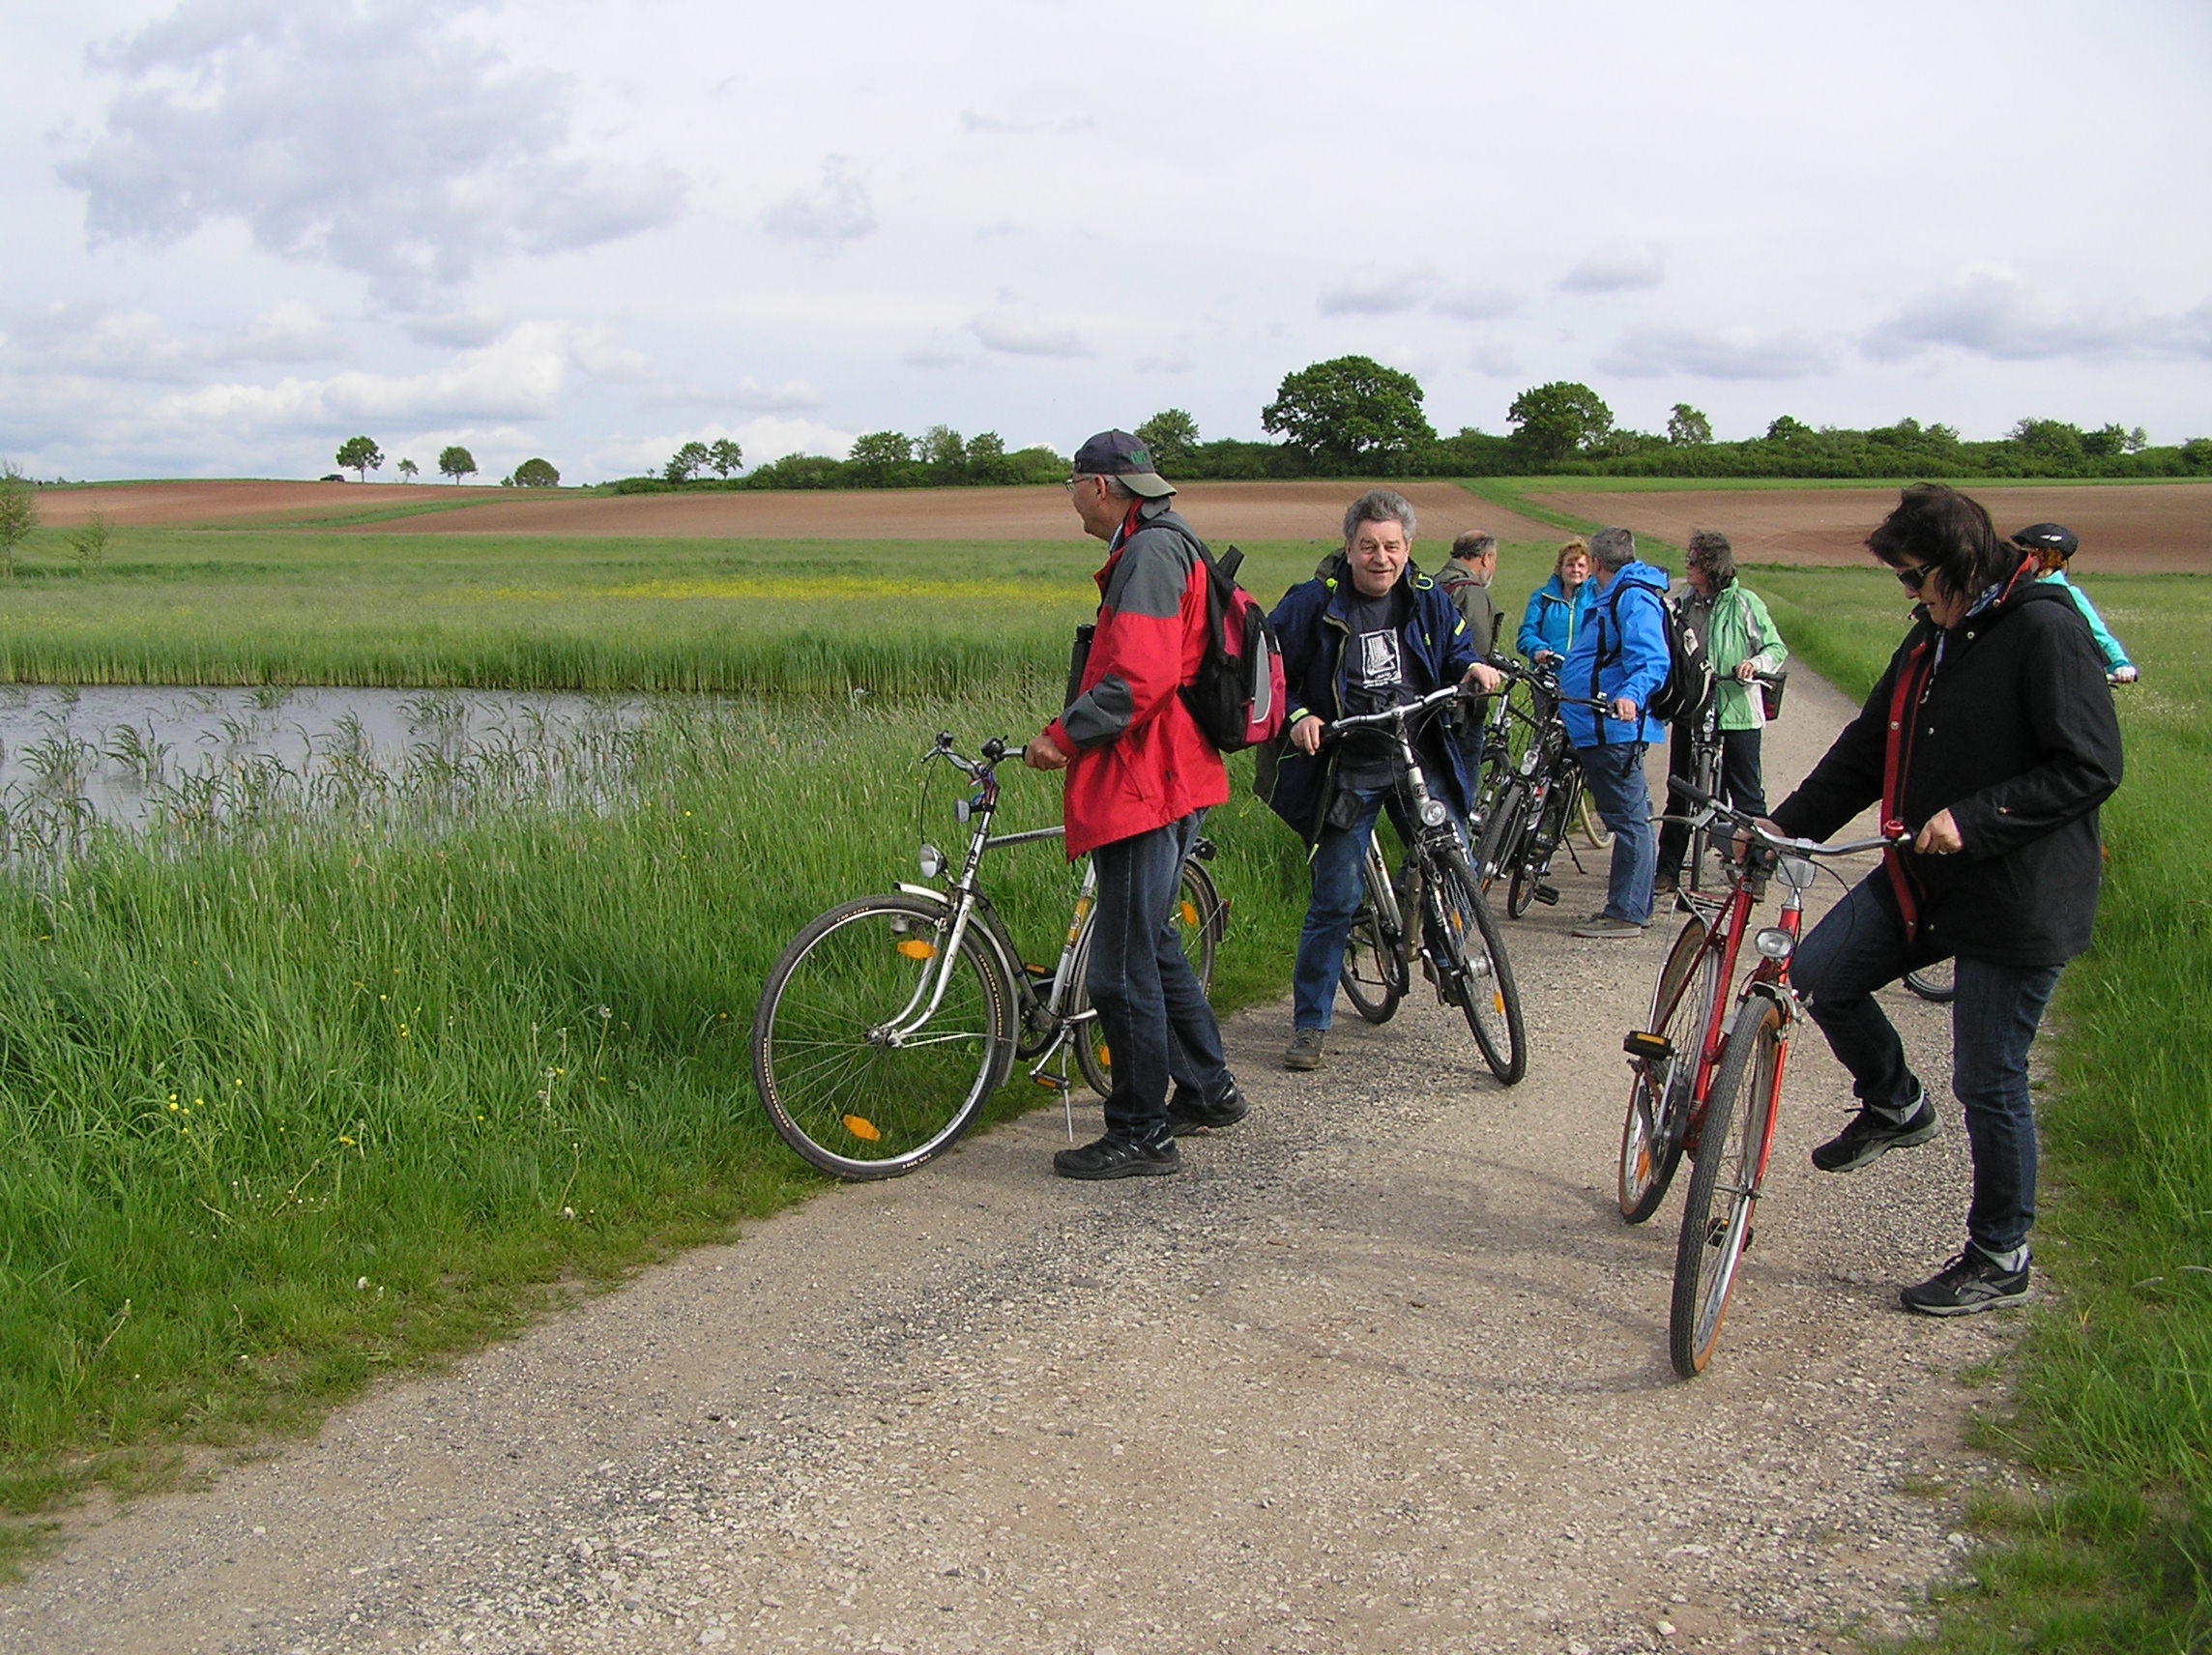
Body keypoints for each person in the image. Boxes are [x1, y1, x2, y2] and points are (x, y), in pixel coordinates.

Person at [1769, 483, 2121, 1315]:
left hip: (2017, 893)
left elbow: (2090, 764)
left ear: (1960, 563)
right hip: (1923, 880)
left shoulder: (2044, 628)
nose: (1909, 594)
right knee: (1819, 971)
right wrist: (1781, 826)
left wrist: (1975, 818)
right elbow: (1863, 750)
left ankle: (2002, 1253)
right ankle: (1894, 1102)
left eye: (1914, 577)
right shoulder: (1934, 637)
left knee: (1990, 1078)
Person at [1023, 430, 1246, 1179]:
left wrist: (1062, 735)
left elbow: (1138, 681)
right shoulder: (1164, 540)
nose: (1071, 499)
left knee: (1119, 965)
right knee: (1150, 940)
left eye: (1072, 485)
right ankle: (1210, 1090)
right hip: (1173, 772)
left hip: (1147, 780)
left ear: (1100, 485)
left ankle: (1142, 1131)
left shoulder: (1150, 553)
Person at [1262, 489, 1502, 1070]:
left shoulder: (1427, 599)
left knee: (1457, 855)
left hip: (1415, 756)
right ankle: (1310, 1023)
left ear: (1408, 548)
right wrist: (1299, 717)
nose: (1381, 558)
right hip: (1347, 767)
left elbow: (1453, 651)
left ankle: (1444, 955)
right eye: (1368, 546)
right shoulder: (1308, 604)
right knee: (1336, 898)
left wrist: (1469, 666)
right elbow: (1268, 669)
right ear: (1348, 548)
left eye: (1391, 546)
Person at [1654, 530, 1788, 896]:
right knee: (1679, 791)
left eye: (1693, 561)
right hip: (1693, 707)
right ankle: (1667, 871)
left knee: (1745, 794)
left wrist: (1753, 664)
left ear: (1712, 567)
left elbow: (1775, 647)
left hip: (1738, 708)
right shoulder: (1683, 602)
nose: (1687, 565)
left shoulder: (1746, 603)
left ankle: (1755, 871)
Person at [1558, 526, 1670, 939]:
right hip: (1599, 728)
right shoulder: (1621, 593)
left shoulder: (1631, 596)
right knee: (1629, 817)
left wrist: (1630, 696)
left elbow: (1652, 660)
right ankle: (1632, 905)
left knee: (1629, 820)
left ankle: (1626, 912)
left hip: (1613, 729)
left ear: (1597, 564)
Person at [2013, 521, 2138, 682]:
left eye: (2029, 554)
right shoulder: (2014, 591)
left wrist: (2120, 663)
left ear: (2046, 557)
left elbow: (2099, 635)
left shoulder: (2069, 595)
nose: (2021, 561)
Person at [1517, 538, 1596, 668]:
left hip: (1585, 677)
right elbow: (1527, 633)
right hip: (1547, 676)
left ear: (1589, 571)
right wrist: (1538, 650)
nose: (1575, 570)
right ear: (1560, 568)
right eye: (1570, 565)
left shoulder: (1598, 599)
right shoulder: (1542, 598)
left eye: (1581, 565)